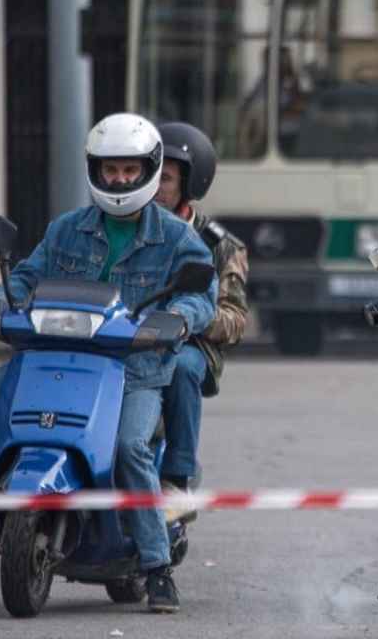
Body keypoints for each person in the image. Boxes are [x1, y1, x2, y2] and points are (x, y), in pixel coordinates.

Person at [0, 113, 217, 613]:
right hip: (60, 358)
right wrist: (0, 301)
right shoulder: (67, 229)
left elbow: (205, 296)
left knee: (128, 447)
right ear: (96, 170)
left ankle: (157, 570)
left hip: (134, 371)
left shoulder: (177, 238)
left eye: (128, 171)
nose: (119, 180)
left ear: (149, 171)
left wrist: (178, 316)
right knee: (2, 390)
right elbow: (27, 276)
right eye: (110, 170)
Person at [153, 122, 250, 522]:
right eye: (151, 172)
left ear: (190, 183)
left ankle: (177, 477)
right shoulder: (129, 226)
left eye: (167, 178)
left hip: (190, 346)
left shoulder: (219, 245)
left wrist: (188, 320)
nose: (155, 185)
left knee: (180, 369)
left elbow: (235, 319)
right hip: (123, 339)